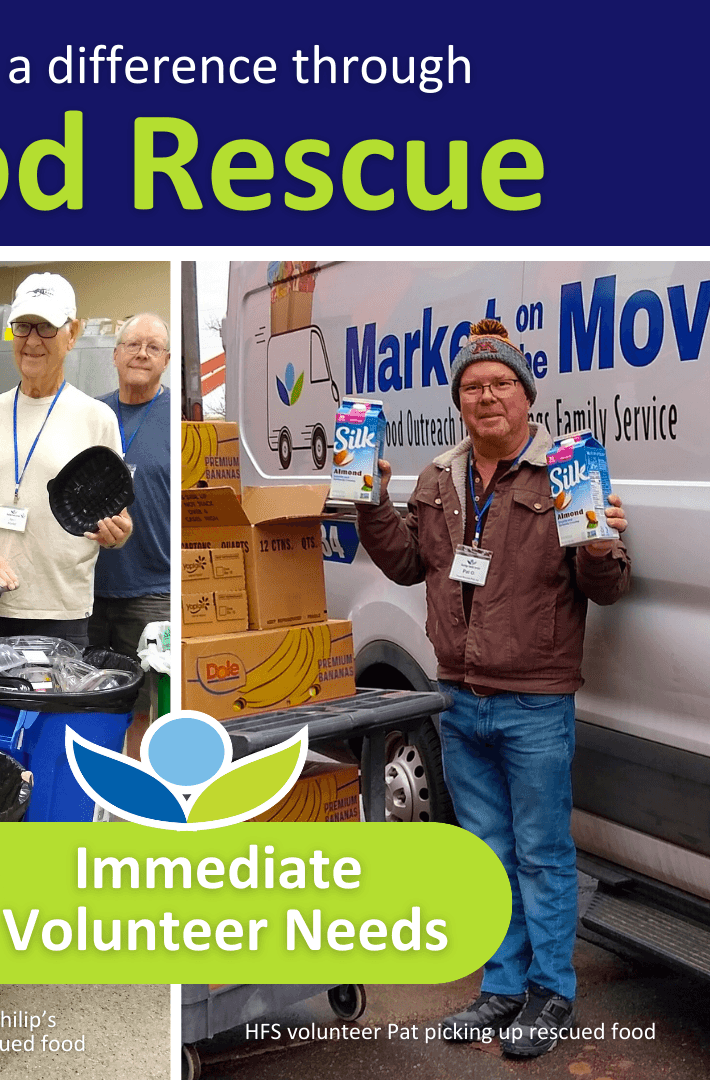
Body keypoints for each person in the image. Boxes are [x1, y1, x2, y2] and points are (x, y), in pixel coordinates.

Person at [354, 319, 631, 1059]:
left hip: (535, 701)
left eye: (501, 383)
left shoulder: (568, 472)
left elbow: (603, 587)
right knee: (486, 851)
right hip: (459, 697)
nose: (487, 397)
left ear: (525, 394)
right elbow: (411, 564)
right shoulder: (440, 478)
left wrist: (602, 545)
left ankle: (551, 992)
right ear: (458, 401)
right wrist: (371, 504)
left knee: (542, 852)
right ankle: (502, 987)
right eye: (473, 387)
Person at [0, 272, 132, 647]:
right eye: (23, 326)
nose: (31, 341)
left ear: (72, 333)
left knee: (49, 708)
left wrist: (118, 533)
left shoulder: (97, 418)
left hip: (59, 611)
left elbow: (117, 513)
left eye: (45, 327)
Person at [89, 314, 171, 755]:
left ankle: (131, 801)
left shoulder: (178, 422)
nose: (142, 353)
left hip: (152, 590)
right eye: (133, 344)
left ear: (167, 360)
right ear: (115, 354)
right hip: (87, 587)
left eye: (153, 347)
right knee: (85, 698)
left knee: (143, 705)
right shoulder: (90, 414)